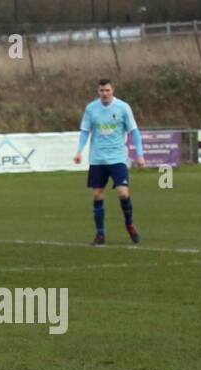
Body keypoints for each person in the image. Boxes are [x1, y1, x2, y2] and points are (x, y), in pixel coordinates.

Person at [74, 78, 144, 245]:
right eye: (101, 91)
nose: (104, 93)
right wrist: (79, 151)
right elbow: (85, 131)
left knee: (123, 193)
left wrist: (140, 154)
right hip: (97, 159)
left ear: (113, 90)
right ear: (98, 92)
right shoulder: (91, 108)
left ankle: (130, 224)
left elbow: (134, 132)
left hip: (117, 158)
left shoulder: (123, 108)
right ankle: (100, 235)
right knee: (98, 194)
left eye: (107, 90)